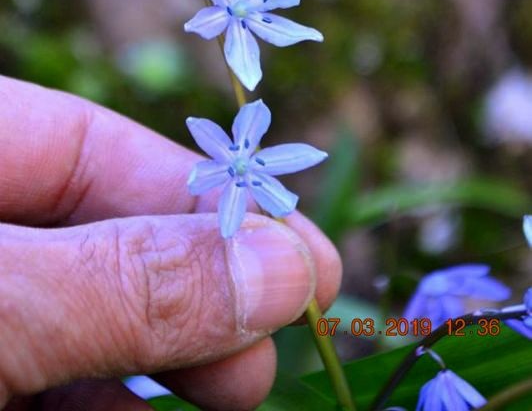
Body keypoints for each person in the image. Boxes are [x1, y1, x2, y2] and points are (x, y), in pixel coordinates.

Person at [0, 77, 341, 411]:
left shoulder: (261, 163)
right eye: (237, 159)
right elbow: (211, 199)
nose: (241, 164)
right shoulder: (210, 167)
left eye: (245, 159)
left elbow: (269, 201)